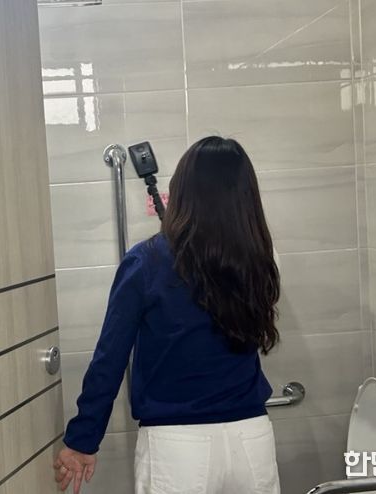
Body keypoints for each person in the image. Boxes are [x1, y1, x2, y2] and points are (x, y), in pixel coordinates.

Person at [53, 136, 281, 494]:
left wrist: (83, 439)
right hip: (252, 438)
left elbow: (110, 358)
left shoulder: (146, 262)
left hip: (177, 447)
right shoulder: (261, 260)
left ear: (181, 192)